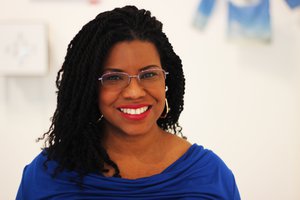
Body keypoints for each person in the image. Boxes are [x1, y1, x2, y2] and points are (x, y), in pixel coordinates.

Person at [16, 5, 240, 200]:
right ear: (89, 87)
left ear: (166, 80)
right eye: (114, 78)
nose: (134, 92)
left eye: (149, 74)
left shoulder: (211, 175)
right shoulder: (47, 176)